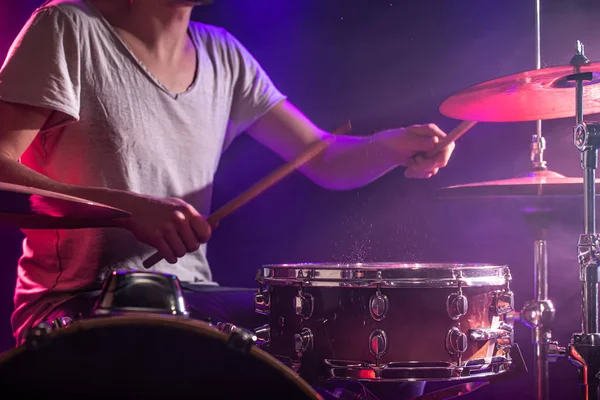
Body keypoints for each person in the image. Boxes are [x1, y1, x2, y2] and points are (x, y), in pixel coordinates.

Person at [0, 0, 454, 397]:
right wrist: (123, 210)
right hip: (78, 300)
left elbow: (325, 158)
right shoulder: (68, 27)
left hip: (189, 298)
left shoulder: (224, 54)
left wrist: (392, 146)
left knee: (373, 351)